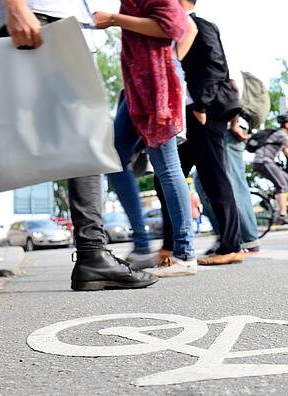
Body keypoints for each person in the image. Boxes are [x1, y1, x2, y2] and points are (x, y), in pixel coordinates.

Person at [0, 0, 157, 291]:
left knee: (15, 148)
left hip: (43, 19)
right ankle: (93, 253)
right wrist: (15, 7)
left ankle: (93, 254)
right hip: (36, 18)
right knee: (85, 135)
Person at [93, 0, 198, 277]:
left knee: (166, 163)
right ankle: (141, 246)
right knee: (113, 157)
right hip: (137, 83)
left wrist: (115, 19)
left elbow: (178, 25)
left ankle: (185, 254)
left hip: (155, 80)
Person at [154, 0, 245, 266]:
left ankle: (231, 246)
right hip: (187, 116)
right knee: (167, 178)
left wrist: (202, 104)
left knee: (214, 177)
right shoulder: (178, 28)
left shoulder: (200, 26)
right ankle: (171, 244)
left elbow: (216, 66)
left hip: (203, 113)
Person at [193, 114, 261, 255]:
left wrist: (234, 123)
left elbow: (235, 93)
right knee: (202, 183)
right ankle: (225, 237)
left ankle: (249, 241)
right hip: (211, 129)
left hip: (229, 129)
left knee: (232, 184)